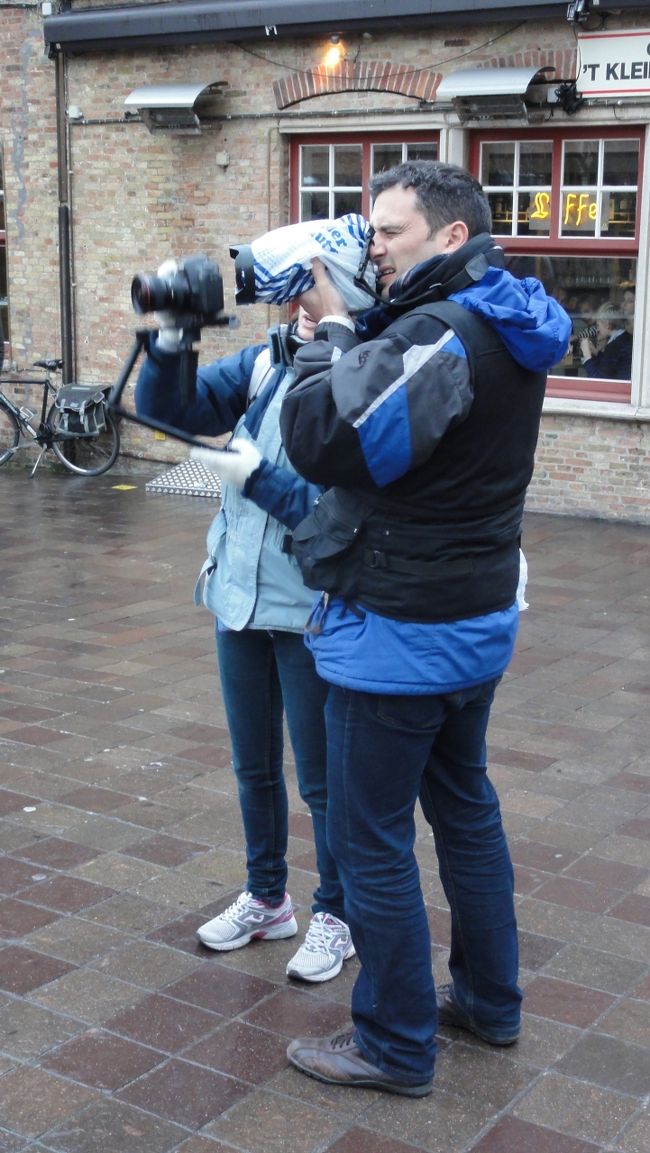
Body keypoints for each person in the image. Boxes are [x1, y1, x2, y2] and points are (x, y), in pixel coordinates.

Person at [279, 161, 571, 1095]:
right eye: (369, 233)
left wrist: (328, 334)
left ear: (450, 235)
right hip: (475, 618)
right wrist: (362, 326)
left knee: (371, 842)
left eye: (390, 232)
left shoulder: (444, 333)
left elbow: (333, 441)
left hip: (400, 629)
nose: (374, 248)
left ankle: (395, 1044)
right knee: (467, 816)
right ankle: (490, 1003)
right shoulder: (502, 314)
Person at [135, 294, 354, 984]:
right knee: (252, 766)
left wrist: (258, 475)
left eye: (324, 286)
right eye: (302, 289)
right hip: (236, 598)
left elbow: (341, 502)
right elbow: (172, 411)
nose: (308, 303)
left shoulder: (362, 368)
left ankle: (337, 913)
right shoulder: (264, 361)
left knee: (322, 782)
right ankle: (267, 897)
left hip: (307, 609)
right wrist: (172, 335)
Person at [580, 300, 632, 380]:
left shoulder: (615, 346)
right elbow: (609, 365)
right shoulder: (624, 338)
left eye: (598, 325)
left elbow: (598, 380)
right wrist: (597, 353)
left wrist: (587, 355)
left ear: (608, 325)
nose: (597, 329)